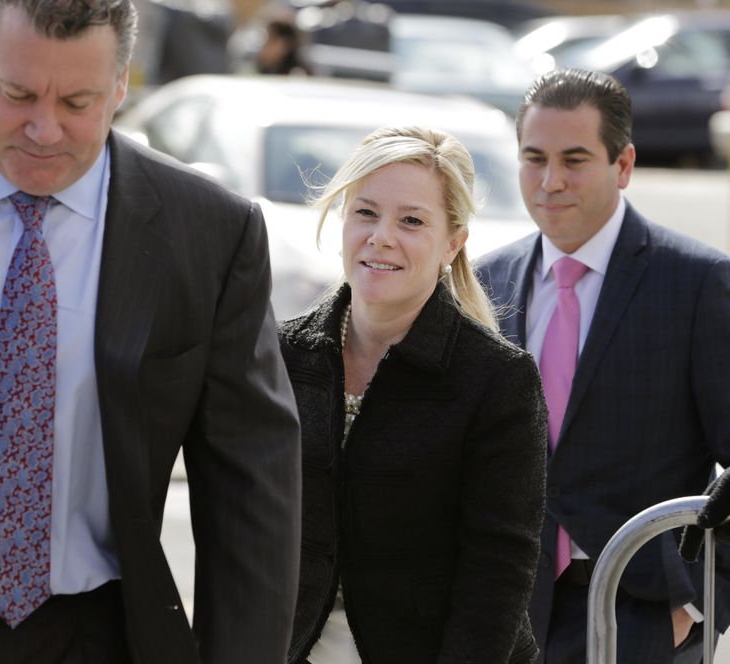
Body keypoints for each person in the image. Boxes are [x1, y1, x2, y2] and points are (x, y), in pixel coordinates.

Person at [0, 1, 301, 663]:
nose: (43, 128)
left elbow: (251, 488)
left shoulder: (207, 232)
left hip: (100, 636)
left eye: (78, 102)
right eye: (18, 93)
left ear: (121, 85)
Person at [477, 68, 730, 664]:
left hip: (643, 615)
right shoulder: (485, 283)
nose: (550, 181)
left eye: (574, 159)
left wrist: (698, 604)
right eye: (533, 158)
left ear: (623, 165)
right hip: (505, 615)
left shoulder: (697, 283)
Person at [279, 125, 548, 664]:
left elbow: (497, 573)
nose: (381, 236)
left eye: (412, 220)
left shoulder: (498, 380)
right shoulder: (282, 355)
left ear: (453, 242)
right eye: (364, 212)